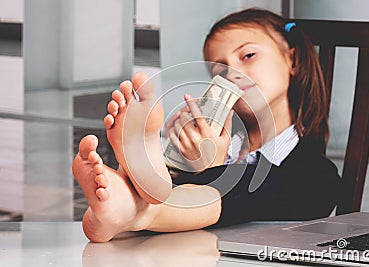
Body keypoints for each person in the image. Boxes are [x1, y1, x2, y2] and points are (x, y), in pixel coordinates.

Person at [72, 8, 340, 243]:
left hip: (271, 212)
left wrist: (213, 169)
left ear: (292, 59)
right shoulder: (220, 140)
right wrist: (186, 160)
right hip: (188, 242)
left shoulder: (312, 172)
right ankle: (131, 201)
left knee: (265, 184)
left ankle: (133, 206)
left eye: (248, 55)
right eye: (220, 71)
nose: (232, 73)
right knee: (180, 176)